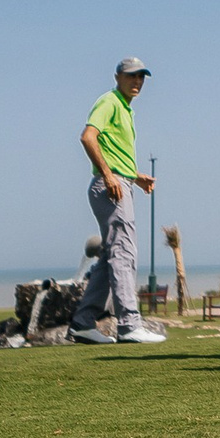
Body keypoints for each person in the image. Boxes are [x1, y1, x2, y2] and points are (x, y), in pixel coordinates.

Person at [72, 59, 161, 345]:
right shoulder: (109, 102)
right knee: (123, 253)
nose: (137, 81)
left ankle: (83, 323)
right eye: (131, 76)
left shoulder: (125, 108)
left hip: (120, 183)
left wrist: (135, 176)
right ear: (117, 77)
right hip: (111, 187)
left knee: (111, 256)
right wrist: (110, 175)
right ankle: (129, 325)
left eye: (141, 77)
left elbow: (114, 152)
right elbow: (88, 137)